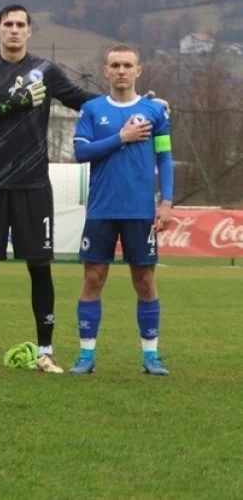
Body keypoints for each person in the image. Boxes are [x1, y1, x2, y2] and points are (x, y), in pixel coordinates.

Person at [0, 4, 98, 373]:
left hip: (33, 184)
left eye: (21, 25)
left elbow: (83, 100)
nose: (14, 30)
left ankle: (45, 353)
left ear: (29, 31)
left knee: (39, 267)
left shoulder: (45, 71)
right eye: (8, 25)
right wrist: (12, 102)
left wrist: (131, 105)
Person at [69, 44, 173, 376]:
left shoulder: (155, 112)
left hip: (140, 211)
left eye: (128, 65)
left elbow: (165, 158)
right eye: (115, 65)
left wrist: (167, 202)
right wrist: (122, 136)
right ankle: (86, 355)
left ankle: (151, 356)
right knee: (93, 278)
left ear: (139, 70)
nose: (121, 70)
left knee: (144, 280)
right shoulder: (91, 109)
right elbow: (81, 153)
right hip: (101, 210)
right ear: (105, 71)